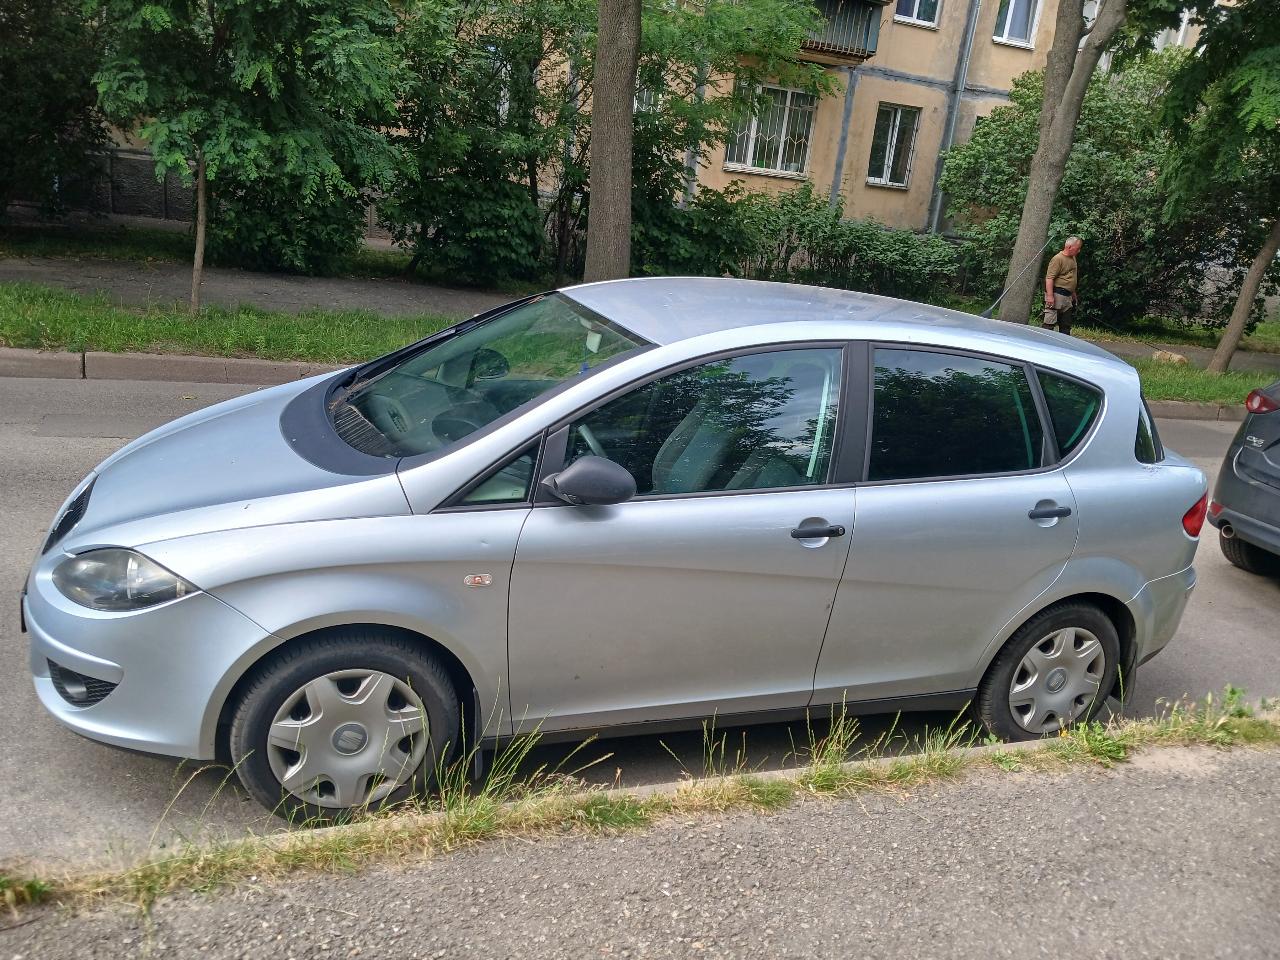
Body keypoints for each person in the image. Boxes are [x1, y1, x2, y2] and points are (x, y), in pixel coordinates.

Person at [1043, 236, 1082, 334]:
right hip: (1056, 294)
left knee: (1066, 326)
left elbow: (1071, 276)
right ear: (1069, 247)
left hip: (1067, 297)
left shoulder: (1073, 258)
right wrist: (1050, 296)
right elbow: (1049, 278)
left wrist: (1073, 292)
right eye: (1077, 248)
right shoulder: (1058, 259)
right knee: (1049, 324)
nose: (1079, 251)